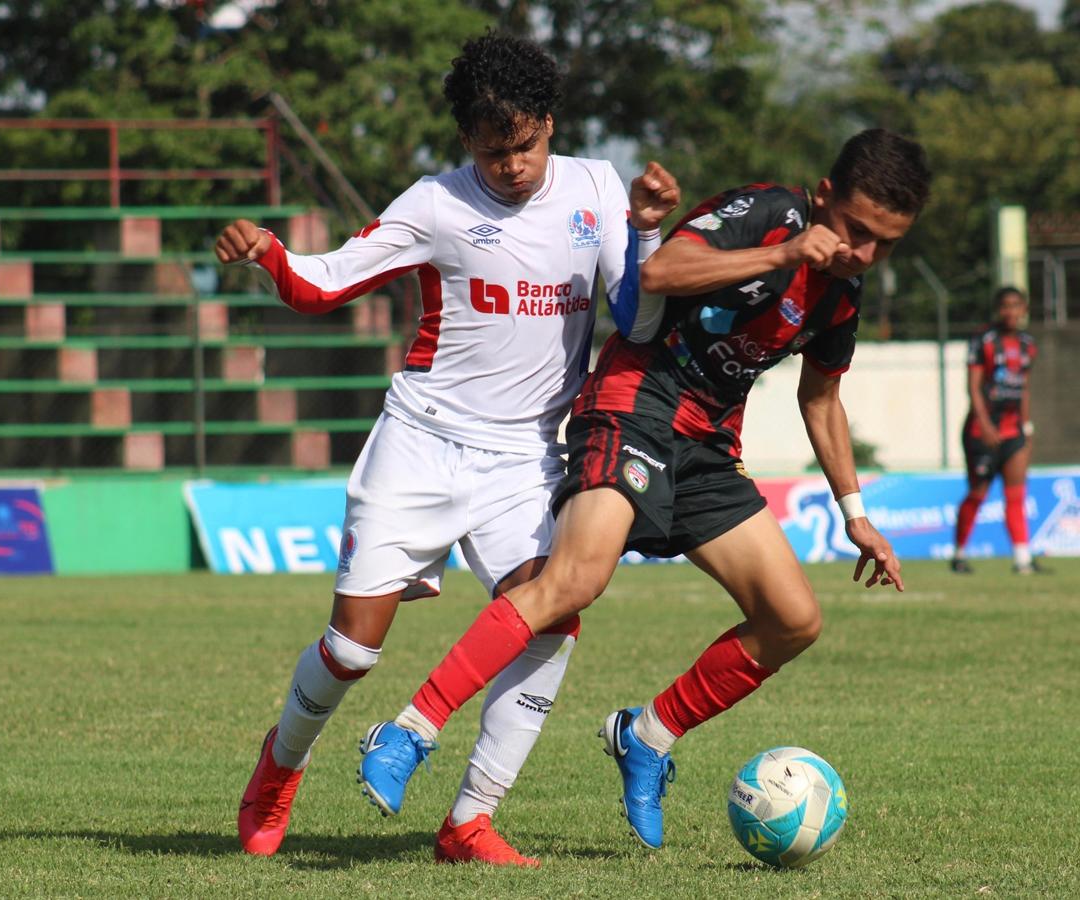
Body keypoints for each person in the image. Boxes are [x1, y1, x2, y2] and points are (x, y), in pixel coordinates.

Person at [359, 128, 931, 850]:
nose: (864, 253)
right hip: (635, 405)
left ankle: (647, 736)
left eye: (885, 244)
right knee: (575, 580)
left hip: (708, 447)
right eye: (855, 230)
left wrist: (856, 514)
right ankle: (410, 731)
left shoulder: (842, 294)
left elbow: (820, 399)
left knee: (793, 619)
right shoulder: (768, 214)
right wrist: (785, 252)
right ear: (823, 197)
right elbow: (660, 273)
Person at [214, 32, 679, 865]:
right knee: (353, 649)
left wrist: (645, 234)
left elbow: (639, 323)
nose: (513, 165)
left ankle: (468, 822)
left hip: (526, 458)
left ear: (549, 123)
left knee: (551, 620)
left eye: (526, 144)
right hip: (421, 444)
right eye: (494, 150)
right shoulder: (435, 203)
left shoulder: (596, 187)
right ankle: (279, 765)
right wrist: (270, 253)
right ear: (467, 138)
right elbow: (327, 283)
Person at [950, 286, 1041, 575]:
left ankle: (1022, 559)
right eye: (1005, 305)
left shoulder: (1028, 345)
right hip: (982, 431)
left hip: (1014, 431)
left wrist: (1026, 428)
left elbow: (1024, 388)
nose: (1010, 311)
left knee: (1016, 494)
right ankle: (959, 554)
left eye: (1016, 305)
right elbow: (973, 387)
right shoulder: (984, 339)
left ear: (1024, 310)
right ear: (997, 309)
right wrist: (986, 425)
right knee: (978, 493)